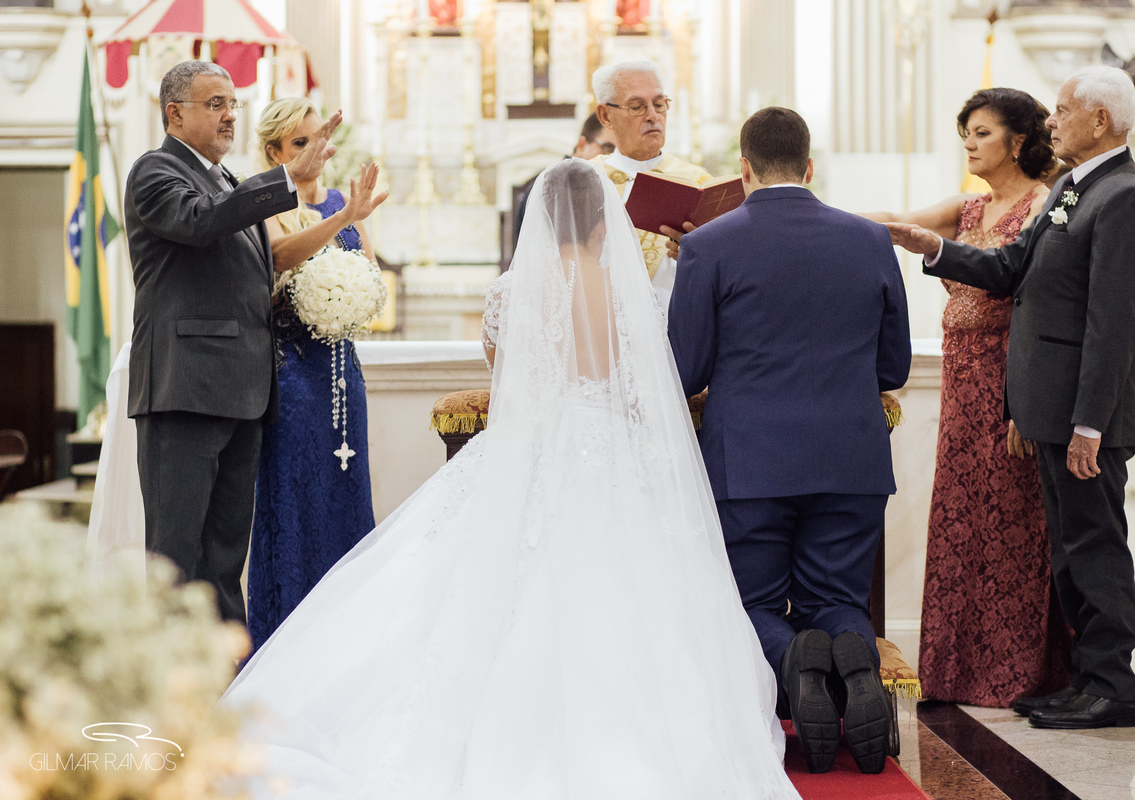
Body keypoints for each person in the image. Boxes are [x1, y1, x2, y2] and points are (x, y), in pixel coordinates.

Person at [222, 160, 801, 800]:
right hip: (608, 448)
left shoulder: (509, 291)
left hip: (532, 449)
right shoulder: (624, 288)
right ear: (604, 222)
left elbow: (511, 387)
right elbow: (641, 388)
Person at [888, 65, 1135, 730]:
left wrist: (1091, 423)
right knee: (1068, 551)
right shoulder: (1072, 187)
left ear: (1100, 120)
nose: (1051, 122)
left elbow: (1114, 324)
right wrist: (934, 249)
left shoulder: (1125, 197)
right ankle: (1083, 683)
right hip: (1045, 409)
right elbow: (1012, 270)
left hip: (1081, 417)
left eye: (1064, 111)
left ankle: (1113, 689)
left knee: (1095, 549)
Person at [669, 107, 911, 774]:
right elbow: (893, 366)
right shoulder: (870, 239)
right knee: (837, 599)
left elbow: (683, 368)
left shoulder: (709, 245)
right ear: (810, 166)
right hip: (851, 454)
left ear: (742, 170)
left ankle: (791, 661)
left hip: (749, 458)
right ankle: (851, 659)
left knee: (749, 601)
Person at [863, 88, 1072, 708]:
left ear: (1017, 141)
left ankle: (1014, 673)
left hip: (1008, 383)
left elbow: (1037, 309)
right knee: (962, 522)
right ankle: (956, 672)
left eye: (982, 133)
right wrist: (795, 211)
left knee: (1013, 525)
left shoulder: (1042, 205)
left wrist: (1022, 404)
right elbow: (895, 225)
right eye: (966, 133)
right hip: (961, 381)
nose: (970, 144)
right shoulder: (968, 206)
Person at [125, 61, 339, 623]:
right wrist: (288, 179)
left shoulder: (227, 180)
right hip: (186, 390)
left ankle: (222, 688)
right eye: (215, 104)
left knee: (223, 560)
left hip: (243, 393)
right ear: (175, 113)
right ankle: (170, 691)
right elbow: (200, 222)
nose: (229, 116)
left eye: (233, 105)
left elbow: (257, 264)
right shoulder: (156, 172)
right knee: (174, 560)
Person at [245, 97, 389, 654]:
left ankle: (348, 642)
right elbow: (280, 258)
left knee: (347, 493)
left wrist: (357, 297)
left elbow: (370, 274)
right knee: (295, 498)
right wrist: (344, 219)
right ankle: (285, 641)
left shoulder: (343, 202)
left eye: (317, 140)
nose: (314, 152)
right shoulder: (268, 204)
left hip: (342, 375)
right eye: (298, 142)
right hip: (294, 379)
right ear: (275, 152)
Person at [590, 60, 714, 309]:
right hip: (605, 323)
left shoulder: (699, 182)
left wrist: (699, 257)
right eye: (637, 107)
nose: (653, 116)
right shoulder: (587, 180)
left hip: (678, 324)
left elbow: (723, 269)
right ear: (605, 116)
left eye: (659, 104)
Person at [511, 112, 617, 251]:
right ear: (581, 145)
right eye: (608, 149)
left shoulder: (600, 188)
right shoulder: (550, 188)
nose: (612, 159)